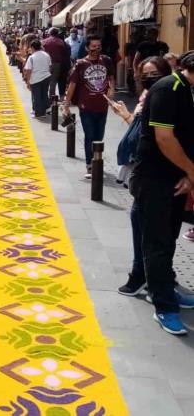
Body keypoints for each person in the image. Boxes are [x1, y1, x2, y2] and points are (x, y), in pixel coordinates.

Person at [128, 51, 194, 335]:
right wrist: (193, 172)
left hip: (177, 178)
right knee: (157, 241)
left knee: (169, 238)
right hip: (155, 179)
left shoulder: (187, 90)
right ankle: (163, 305)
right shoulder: (168, 89)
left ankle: (165, 286)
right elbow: (164, 138)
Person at [110, 57, 172, 297]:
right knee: (147, 228)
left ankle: (149, 277)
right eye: (145, 74)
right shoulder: (149, 97)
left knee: (153, 232)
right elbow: (141, 133)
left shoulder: (159, 99)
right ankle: (151, 274)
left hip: (156, 174)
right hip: (143, 173)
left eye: (154, 74)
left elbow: (154, 137)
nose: (148, 79)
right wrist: (127, 115)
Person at [62, 36, 115, 178]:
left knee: (99, 137)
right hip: (86, 106)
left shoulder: (107, 61)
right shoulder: (80, 64)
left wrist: (112, 89)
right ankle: (90, 166)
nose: (96, 49)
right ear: (87, 48)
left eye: (99, 46)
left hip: (102, 106)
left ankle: (97, 163)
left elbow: (110, 77)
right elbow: (72, 85)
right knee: (89, 136)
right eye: (93, 46)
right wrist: (66, 105)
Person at [24, 39, 52, 118]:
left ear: (32, 47)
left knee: (37, 96)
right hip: (46, 77)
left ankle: (39, 113)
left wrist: (28, 81)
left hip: (36, 79)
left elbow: (29, 70)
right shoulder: (46, 55)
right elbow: (50, 66)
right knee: (44, 94)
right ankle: (45, 110)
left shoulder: (32, 57)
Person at [43, 28, 71, 100]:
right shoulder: (61, 42)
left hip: (46, 63)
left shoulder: (44, 41)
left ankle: (45, 96)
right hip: (57, 63)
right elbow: (64, 53)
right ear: (57, 34)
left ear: (50, 33)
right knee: (53, 80)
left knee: (45, 79)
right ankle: (52, 96)